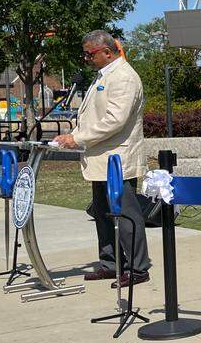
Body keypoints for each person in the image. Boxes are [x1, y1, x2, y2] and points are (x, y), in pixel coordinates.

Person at [53, 30, 150, 287]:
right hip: (99, 159)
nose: (86, 59)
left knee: (126, 215)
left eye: (90, 54)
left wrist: (79, 138)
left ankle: (138, 268)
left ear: (108, 52)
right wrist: (71, 135)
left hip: (117, 160)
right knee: (102, 214)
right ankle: (110, 264)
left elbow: (114, 121)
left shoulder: (125, 77)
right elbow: (93, 117)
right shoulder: (103, 76)